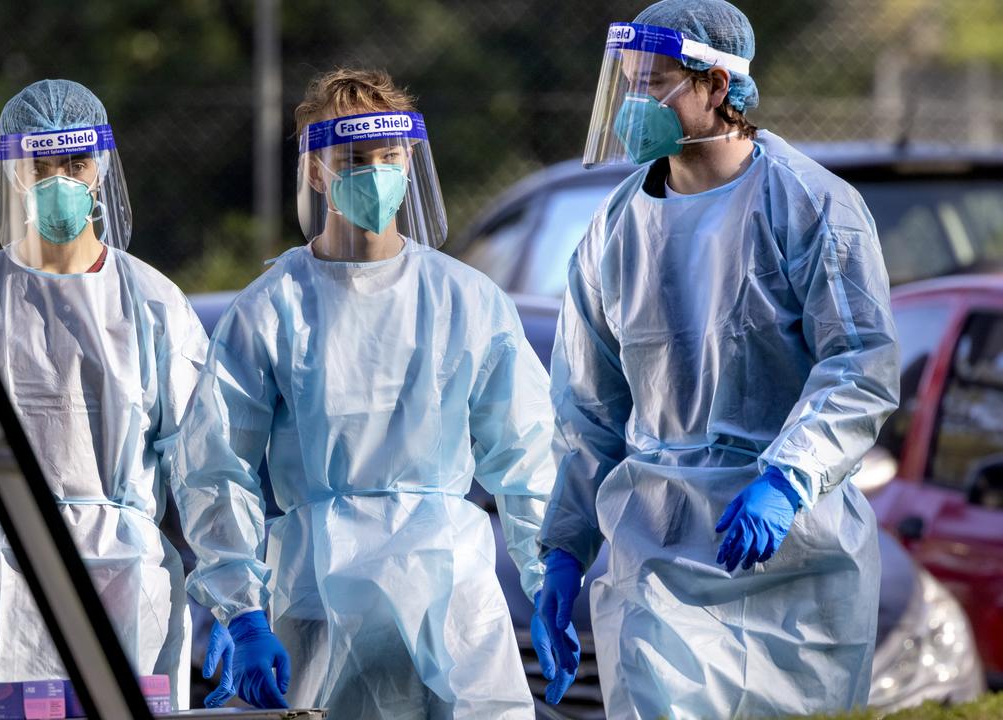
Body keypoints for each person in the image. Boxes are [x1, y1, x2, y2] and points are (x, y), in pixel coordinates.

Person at [534, 1, 901, 717]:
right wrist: (564, 550)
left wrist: (788, 479)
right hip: (658, 551)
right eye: (629, 82)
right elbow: (588, 410)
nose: (636, 103)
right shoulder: (613, 230)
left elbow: (858, 364)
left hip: (798, 558)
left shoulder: (813, 206)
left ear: (720, 86)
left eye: (657, 81)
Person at [173, 68, 569, 717]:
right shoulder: (273, 310)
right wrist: (240, 609)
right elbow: (216, 469)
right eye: (354, 159)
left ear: (410, 159)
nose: (375, 172)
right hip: (319, 601)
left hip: (452, 600)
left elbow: (526, 456)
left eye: (388, 157)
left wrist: (544, 572)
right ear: (315, 170)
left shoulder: (465, 301)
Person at [0, 79, 208, 709]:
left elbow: (207, 466)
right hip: (6, 586)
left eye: (74, 162)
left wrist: (237, 603)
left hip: (129, 582)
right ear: (14, 174)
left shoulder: (155, 305)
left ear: (101, 169)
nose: (58, 179)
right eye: (40, 164)